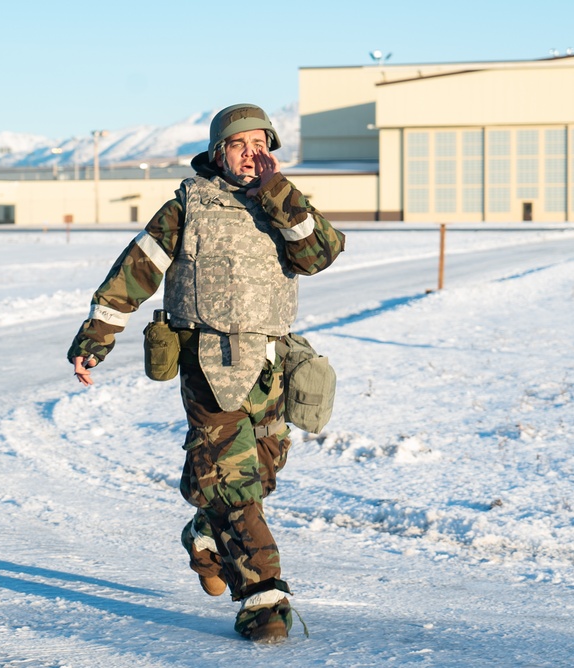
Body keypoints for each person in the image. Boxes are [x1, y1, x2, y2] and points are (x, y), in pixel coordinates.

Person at [66, 104, 345, 643]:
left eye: (260, 143)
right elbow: (134, 271)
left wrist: (279, 192)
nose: (251, 153)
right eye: (239, 145)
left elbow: (320, 255)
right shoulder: (187, 207)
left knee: (262, 471)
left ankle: (205, 535)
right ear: (219, 151)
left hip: (271, 364)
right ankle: (263, 600)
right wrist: (97, 336)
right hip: (208, 365)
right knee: (237, 486)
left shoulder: (282, 202)